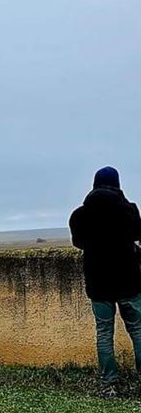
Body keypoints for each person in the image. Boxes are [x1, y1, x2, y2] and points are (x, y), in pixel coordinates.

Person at [69, 166, 141, 397]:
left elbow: (78, 242)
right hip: (129, 281)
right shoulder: (129, 210)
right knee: (138, 330)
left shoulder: (80, 215)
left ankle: (109, 384)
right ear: (117, 184)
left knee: (104, 332)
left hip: (98, 283)